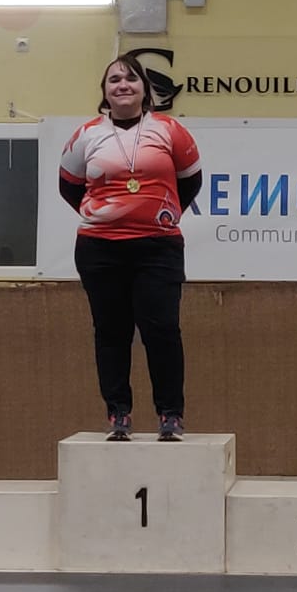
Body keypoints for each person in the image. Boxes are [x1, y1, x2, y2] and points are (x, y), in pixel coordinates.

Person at [58, 54, 204, 442]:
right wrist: (106, 216)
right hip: (100, 249)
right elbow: (69, 187)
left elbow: (190, 182)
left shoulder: (170, 130)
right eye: (114, 80)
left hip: (158, 249)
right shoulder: (86, 135)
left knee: (162, 330)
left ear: (144, 89)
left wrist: (159, 214)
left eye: (131, 78)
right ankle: (118, 413)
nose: (123, 85)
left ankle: (170, 415)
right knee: (111, 331)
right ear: (105, 92)